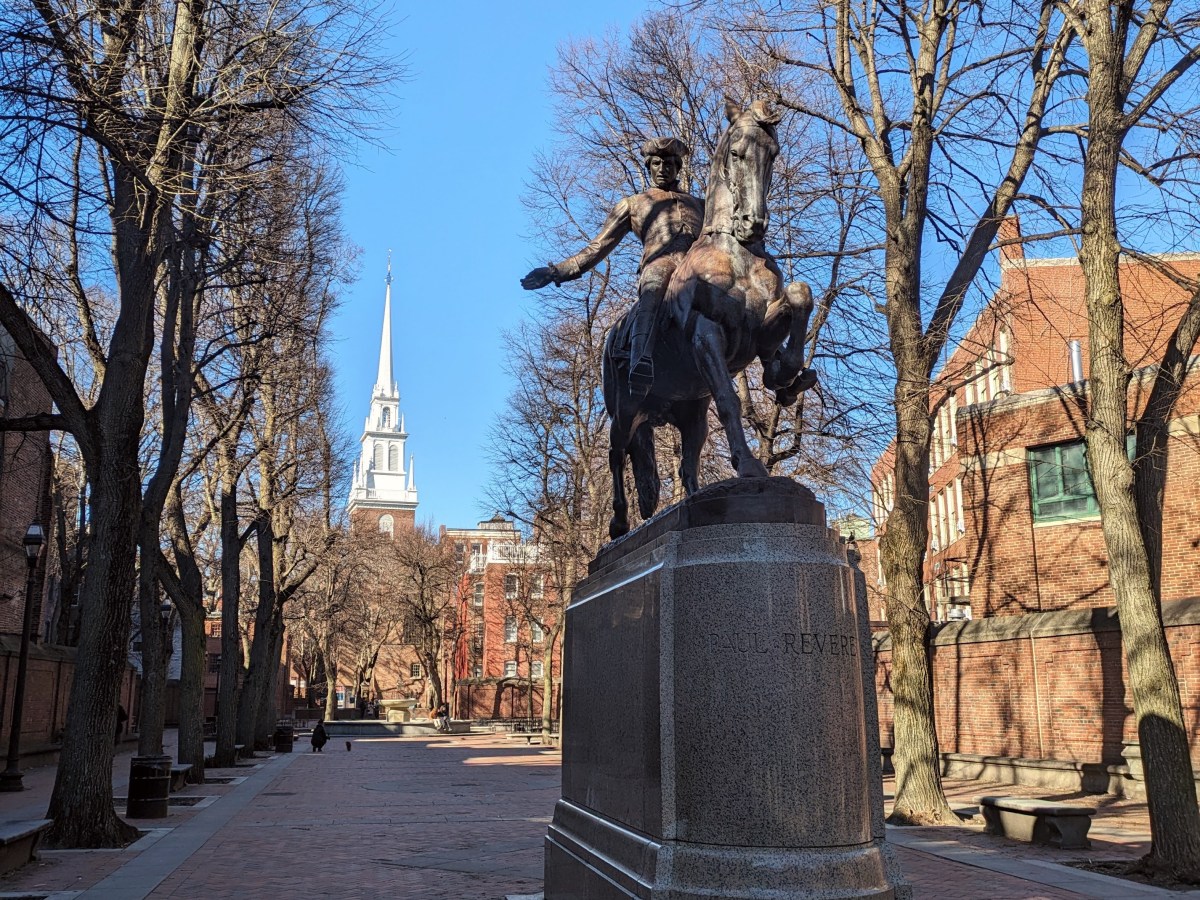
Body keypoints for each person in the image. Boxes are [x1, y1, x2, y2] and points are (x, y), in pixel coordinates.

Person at [521, 137, 704, 397]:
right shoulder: (633, 205)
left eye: (668, 163)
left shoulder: (700, 205)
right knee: (653, 289)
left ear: (678, 167)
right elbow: (598, 247)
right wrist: (555, 272)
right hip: (661, 263)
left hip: (698, 267)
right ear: (649, 167)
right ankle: (641, 360)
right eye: (656, 163)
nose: (662, 168)